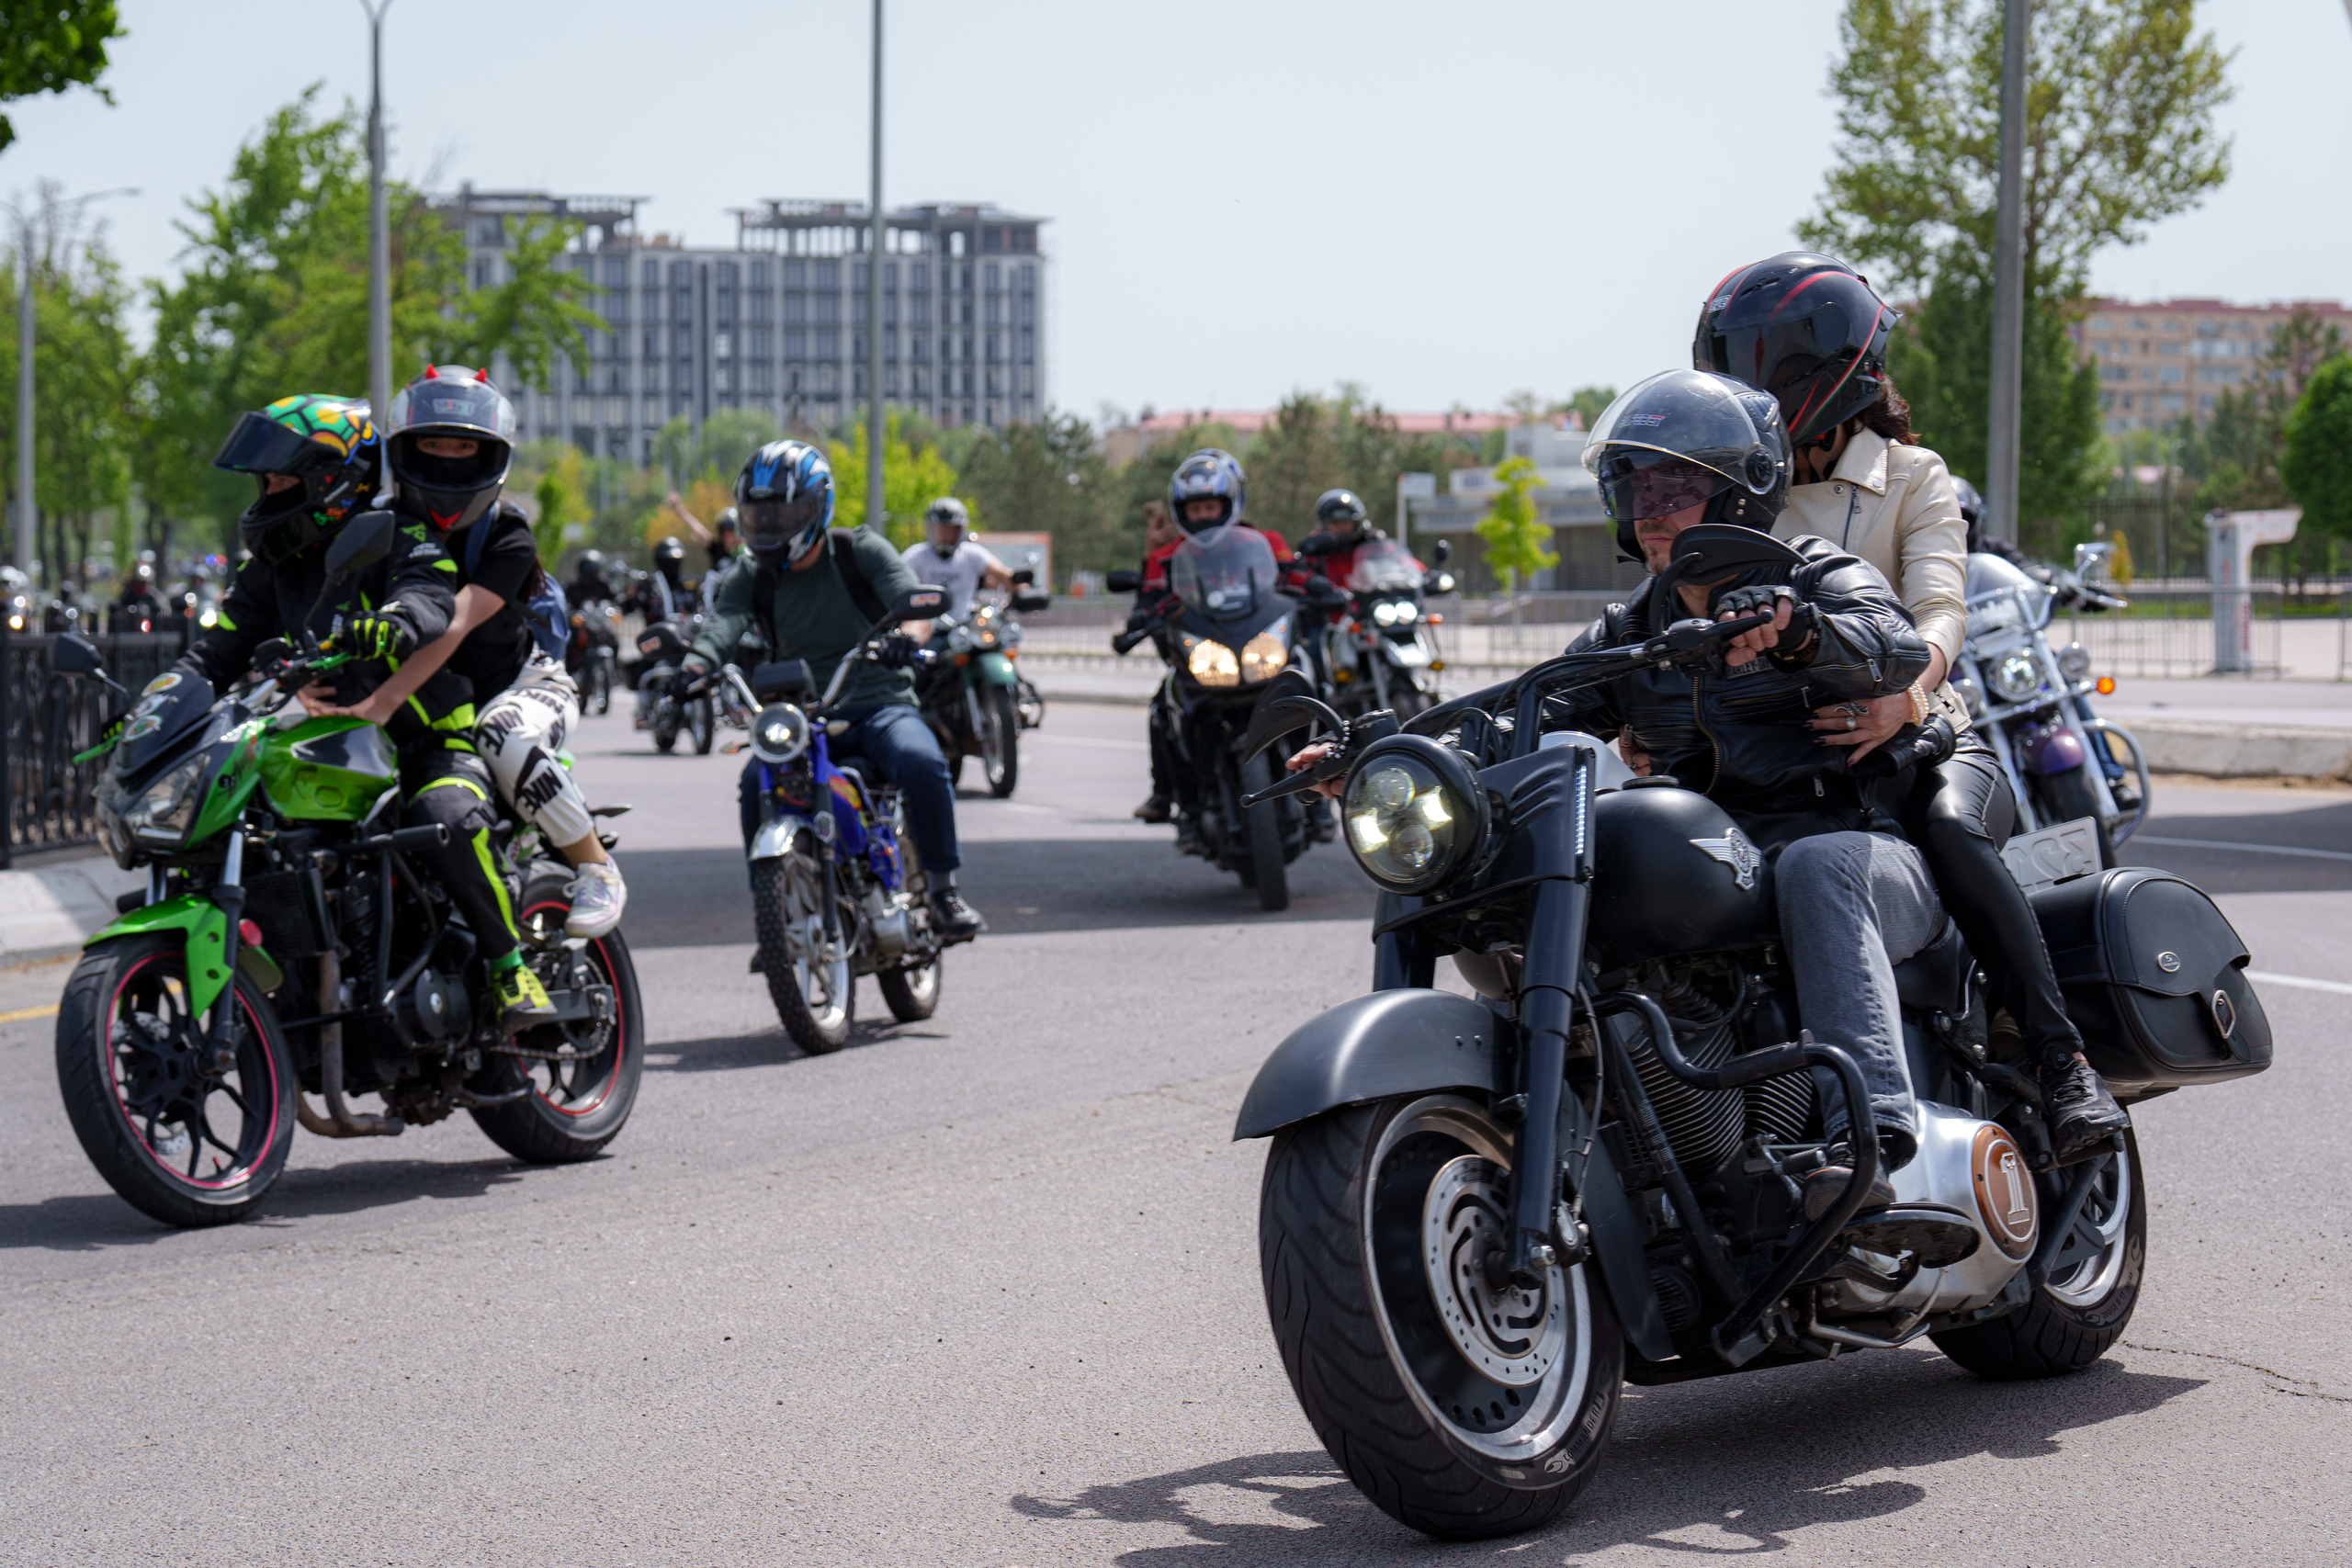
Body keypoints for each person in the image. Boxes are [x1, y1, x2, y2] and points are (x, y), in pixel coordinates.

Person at [1300, 370, 1950, 1216]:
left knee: (1817, 867)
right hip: (1724, 856)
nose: (1651, 505)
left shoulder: (1817, 574)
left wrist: (1799, 630)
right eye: (1635, 484)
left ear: (1741, 489)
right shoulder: (1629, 632)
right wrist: (1387, 758)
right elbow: (1521, 710)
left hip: (1863, 848)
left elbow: (1894, 649)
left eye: (1676, 483)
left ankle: (1869, 1141)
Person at [1696, 252, 2126, 1159]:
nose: (1745, 385)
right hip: (1791, 758)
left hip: (1926, 742)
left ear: (1827, 370)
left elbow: (1939, 602)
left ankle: (2063, 1064)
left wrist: (1909, 690)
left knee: (1952, 834)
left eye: (1760, 364)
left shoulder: (1910, 476)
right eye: (1728, 364)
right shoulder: (1735, 491)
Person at [187, 392, 556, 1029]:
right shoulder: (271, 569)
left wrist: (392, 624)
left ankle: (508, 967)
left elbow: (429, 594)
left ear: (329, 478)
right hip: (325, 745)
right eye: (265, 480)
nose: (268, 491)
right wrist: (159, 702)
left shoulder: (395, 532)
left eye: (280, 479)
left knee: (443, 815)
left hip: (425, 743)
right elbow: (215, 652)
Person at [303, 367, 628, 941]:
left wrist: (381, 702)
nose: (448, 457)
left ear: (491, 455)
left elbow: (448, 626)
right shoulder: (377, 525)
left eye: (464, 446)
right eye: (433, 444)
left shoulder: (508, 535)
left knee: (502, 735)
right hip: (426, 706)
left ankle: (594, 866)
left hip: (520, 689)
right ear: (405, 448)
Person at [680, 439, 985, 942]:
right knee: (756, 781)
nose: (771, 527)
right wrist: (693, 667)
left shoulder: (857, 550)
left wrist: (905, 641)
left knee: (922, 761)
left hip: (879, 702)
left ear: (818, 506)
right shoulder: (752, 573)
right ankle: (774, 916)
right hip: (802, 714)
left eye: (784, 514)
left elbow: (910, 604)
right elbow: (723, 624)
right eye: (760, 516)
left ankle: (941, 890)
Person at [1130, 448, 1300, 828]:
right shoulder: (1167, 554)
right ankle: (1174, 798)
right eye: (1196, 509)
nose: (1204, 516)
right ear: (1182, 512)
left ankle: (1326, 776)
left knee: (1308, 675)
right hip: (1204, 653)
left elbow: (1295, 574)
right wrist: (1141, 616)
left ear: (1228, 504)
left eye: (1211, 507)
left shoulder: (1263, 540)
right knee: (1165, 703)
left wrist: (1316, 587)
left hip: (1257, 646)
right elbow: (1147, 597)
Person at [901, 497, 1011, 617]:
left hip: (963, 628)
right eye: (941, 530)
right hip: (925, 625)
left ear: (960, 531)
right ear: (930, 529)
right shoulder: (916, 554)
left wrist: (1020, 583)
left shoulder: (971, 553)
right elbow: (897, 580)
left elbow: (1003, 575)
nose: (945, 535)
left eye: (950, 530)